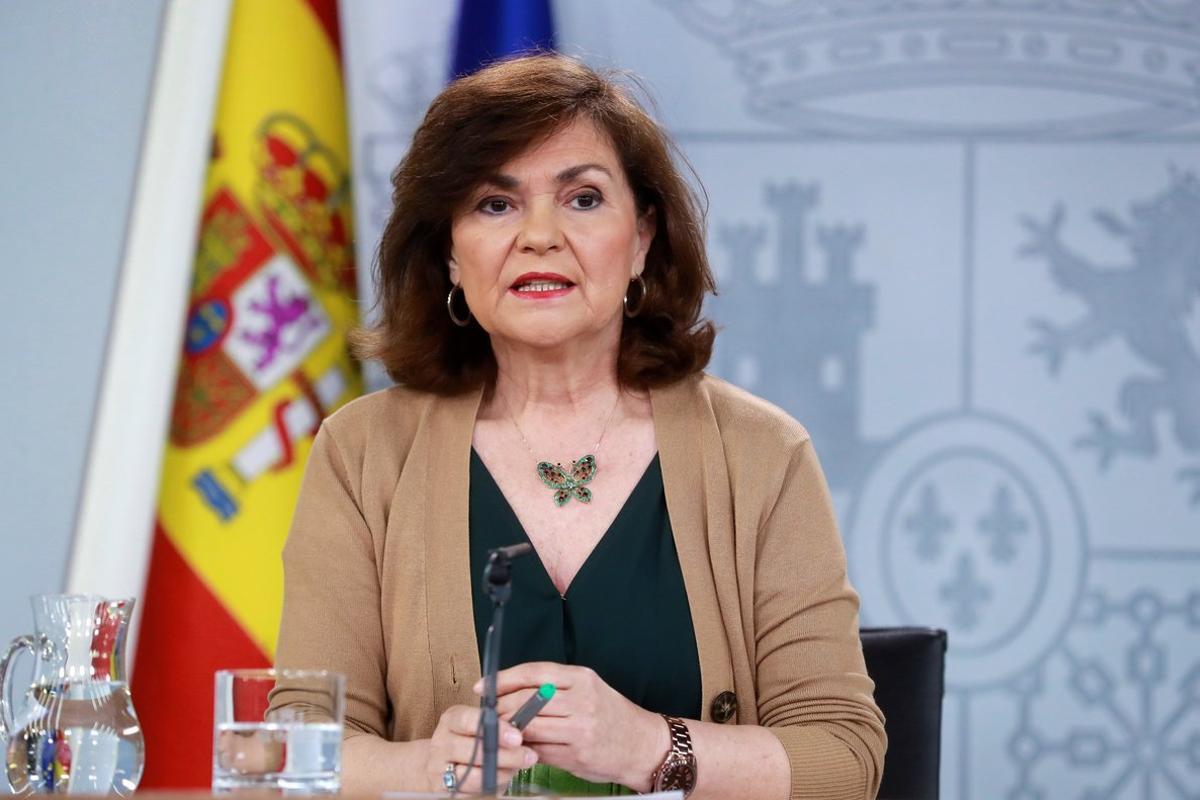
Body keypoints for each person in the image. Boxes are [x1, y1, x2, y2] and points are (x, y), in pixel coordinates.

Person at [274, 54, 886, 799]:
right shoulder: (362, 453)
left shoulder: (761, 454)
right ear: (449, 256)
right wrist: (426, 769)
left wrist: (650, 748)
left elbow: (845, 757)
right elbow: (298, 747)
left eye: (583, 199)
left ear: (642, 240)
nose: (539, 235)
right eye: (495, 205)